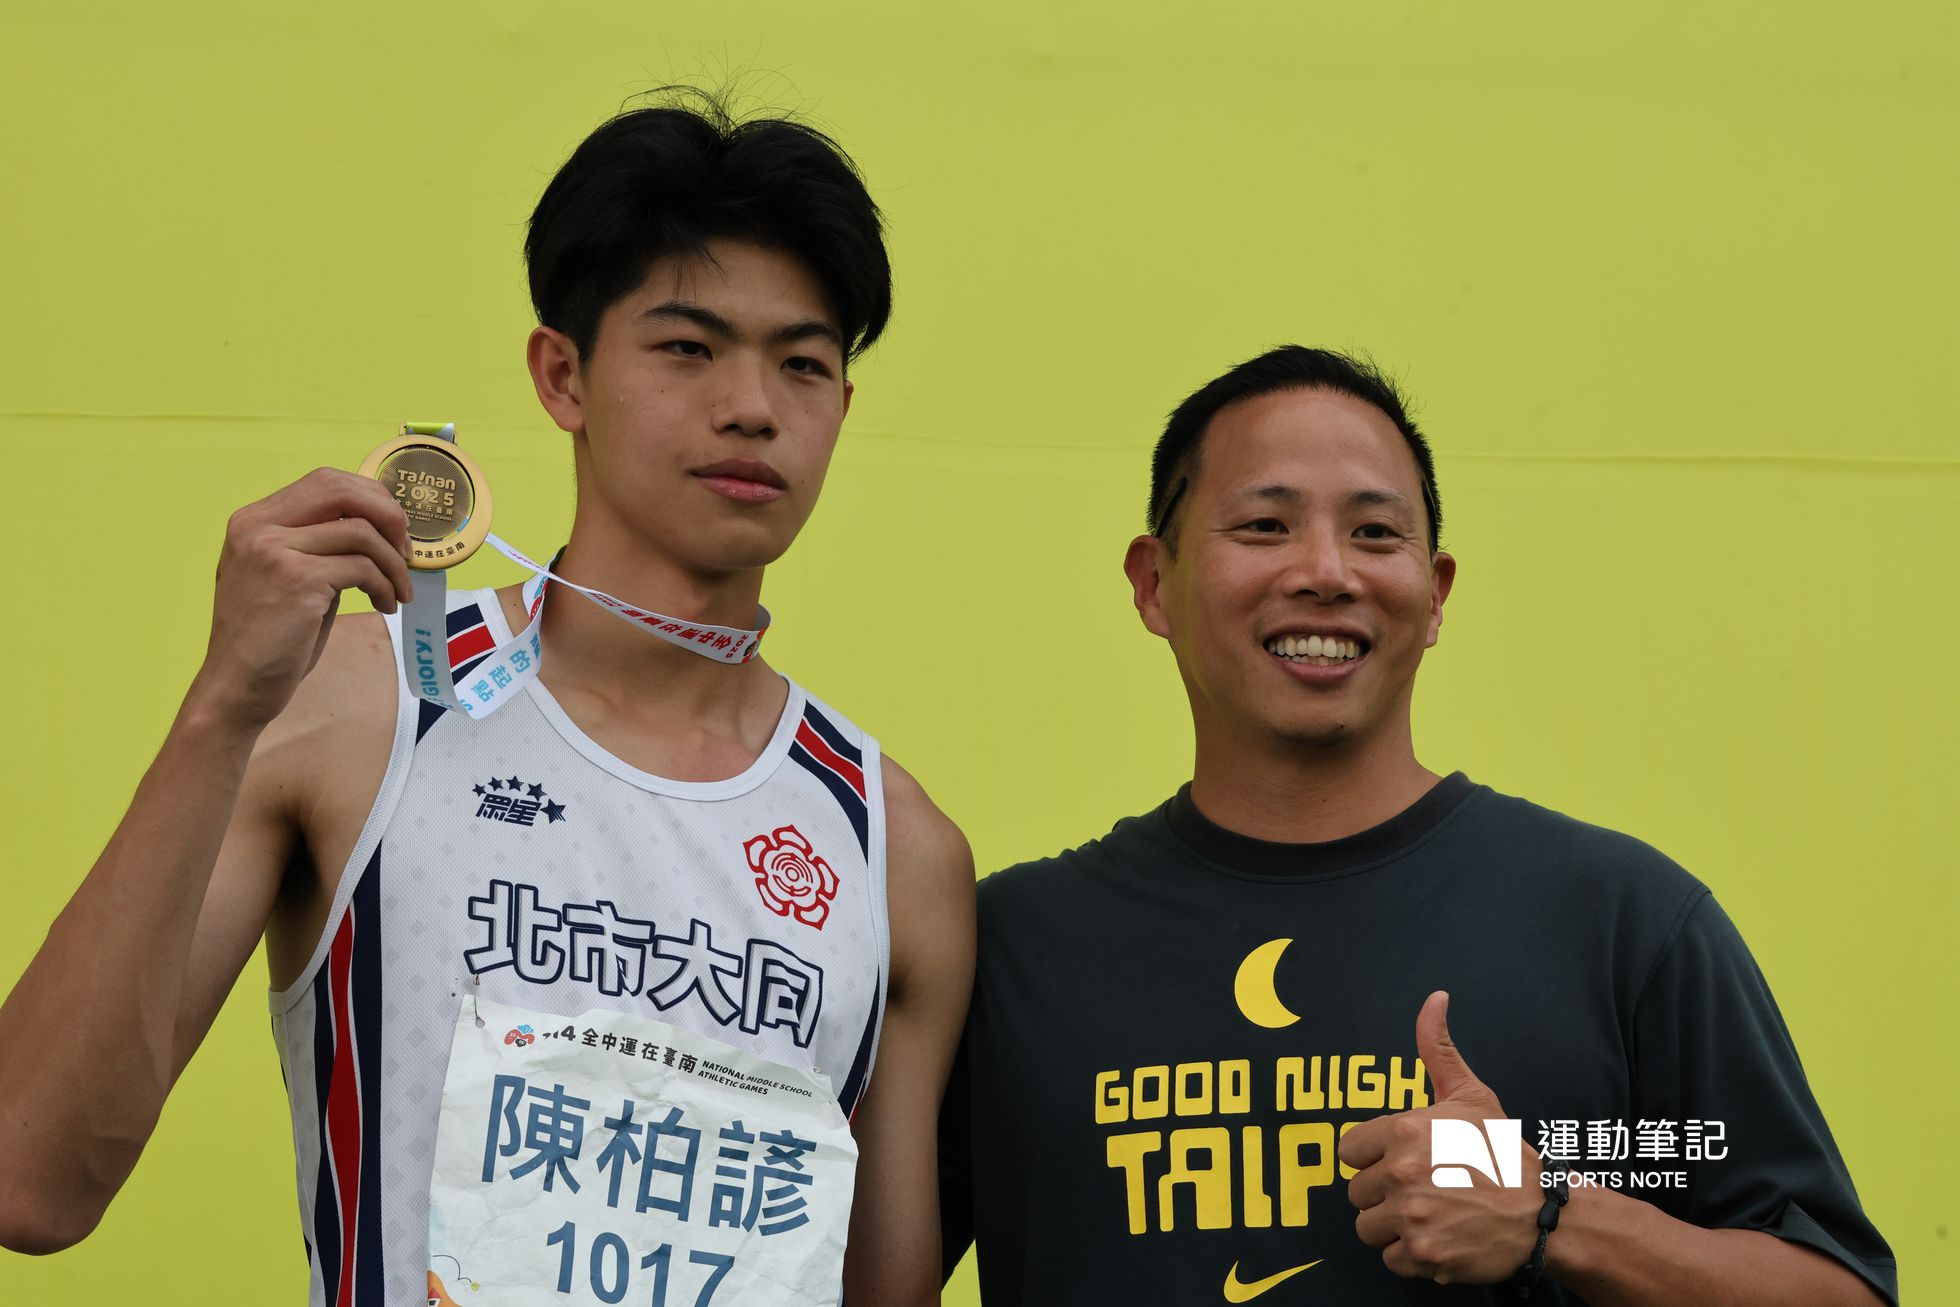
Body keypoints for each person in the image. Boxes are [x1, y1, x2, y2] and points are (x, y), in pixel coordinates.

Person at [0, 91, 973, 1307]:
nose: (752, 405)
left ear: (840, 408)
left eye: (804, 364)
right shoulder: (353, 707)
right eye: (687, 346)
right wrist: (221, 708)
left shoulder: (894, 848)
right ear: (562, 375)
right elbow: (28, 1178)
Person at [940, 346, 1895, 1305]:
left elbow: (1844, 1291)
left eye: (1375, 532)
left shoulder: (1620, 922)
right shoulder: (1008, 949)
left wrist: (1553, 1217)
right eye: (1265, 525)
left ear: (1435, 593)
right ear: (1154, 582)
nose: (1325, 572)